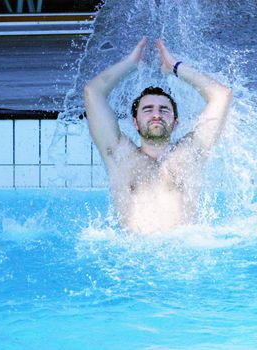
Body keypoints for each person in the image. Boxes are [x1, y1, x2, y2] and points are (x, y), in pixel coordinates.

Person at [84, 37, 232, 234]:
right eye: (148, 109)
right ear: (135, 123)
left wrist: (175, 67)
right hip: (133, 256)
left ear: (175, 122)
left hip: (182, 252)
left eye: (164, 109)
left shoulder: (190, 153)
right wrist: (129, 65)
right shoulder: (120, 155)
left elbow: (222, 95)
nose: (156, 114)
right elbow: (93, 91)